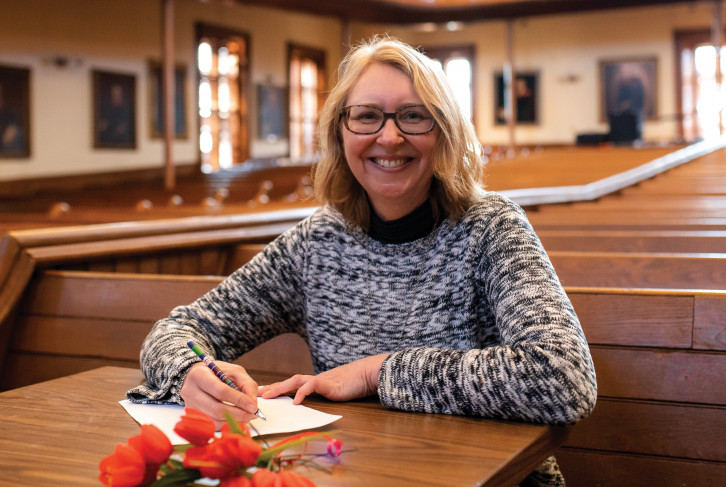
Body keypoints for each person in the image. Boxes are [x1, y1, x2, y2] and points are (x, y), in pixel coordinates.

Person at [128, 35, 597, 486]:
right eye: (367, 116)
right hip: (349, 474)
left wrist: (378, 372)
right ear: (341, 131)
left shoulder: (491, 227)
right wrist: (188, 373)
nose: (389, 137)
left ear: (445, 131)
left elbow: (563, 378)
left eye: (414, 116)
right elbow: (177, 330)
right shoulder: (317, 243)